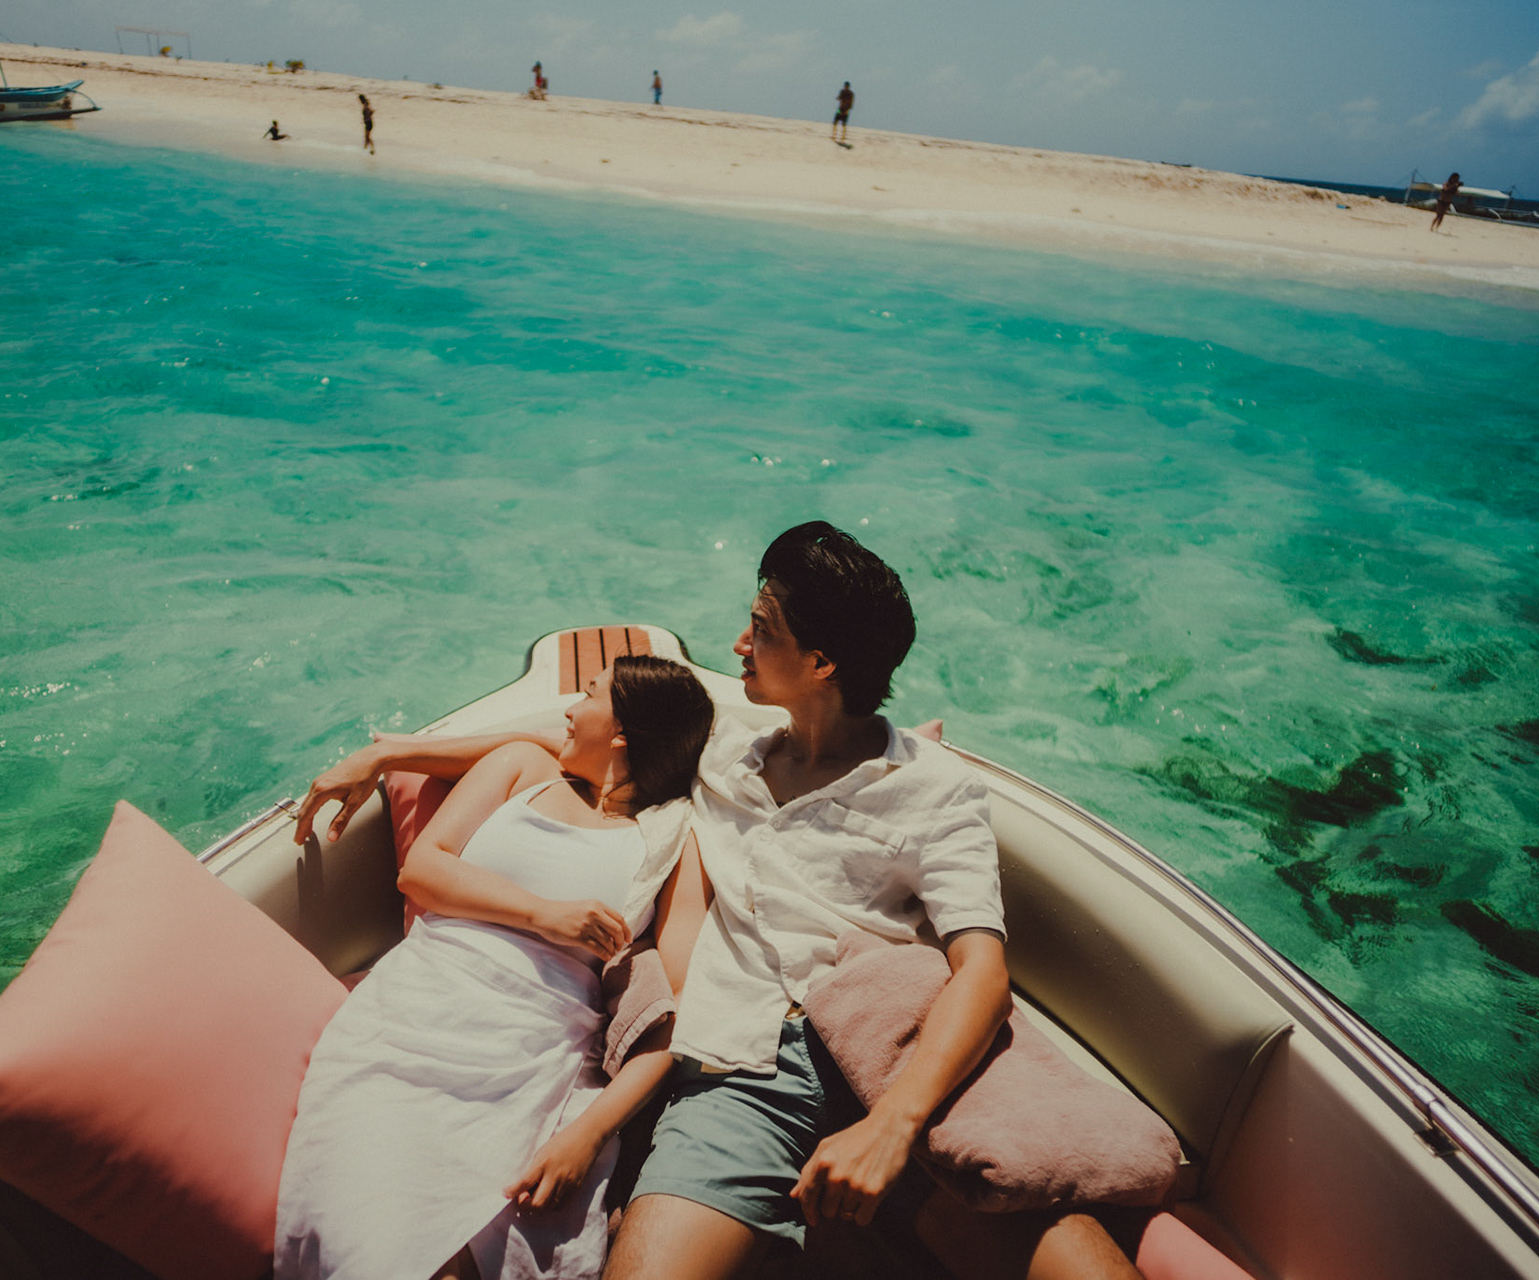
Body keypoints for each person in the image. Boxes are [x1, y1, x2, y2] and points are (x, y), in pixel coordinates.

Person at [304, 524, 1146, 1280]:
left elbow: (981, 971)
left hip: (884, 1054)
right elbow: (570, 739)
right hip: (735, 1072)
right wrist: (393, 756)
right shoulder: (725, 745)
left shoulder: (938, 792)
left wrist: (893, 1125)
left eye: (764, 630)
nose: (739, 644)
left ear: (823, 663)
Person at [278, 656, 714, 1280]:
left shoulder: (672, 842)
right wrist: (543, 914)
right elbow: (423, 869)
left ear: (620, 732)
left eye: (587, 695)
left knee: (463, 1262)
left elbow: (678, 1014)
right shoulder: (524, 767)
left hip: (536, 1052)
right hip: (415, 1017)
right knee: (372, 1238)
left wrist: (587, 1134)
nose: (567, 708)